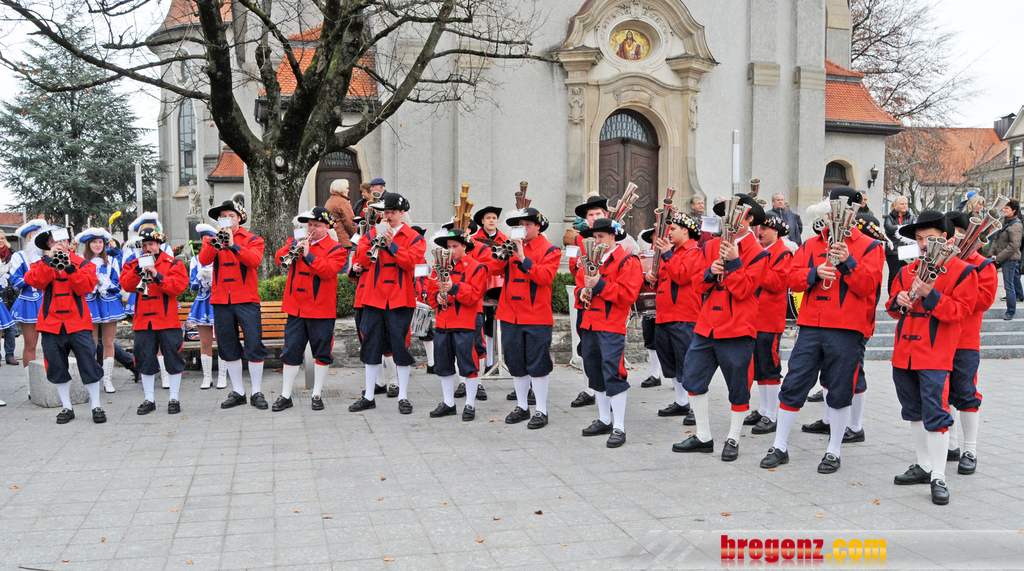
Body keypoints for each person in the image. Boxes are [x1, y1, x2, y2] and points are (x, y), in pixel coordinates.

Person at [759, 187, 884, 475]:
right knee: (793, 384)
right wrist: (815, 274)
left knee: (839, 389)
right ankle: (780, 445)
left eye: (840, 210)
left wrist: (847, 262)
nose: (833, 215)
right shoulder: (812, 244)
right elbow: (793, 278)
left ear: (854, 213)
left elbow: (867, 287)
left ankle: (834, 450)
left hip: (846, 328)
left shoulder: (870, 246)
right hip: (811, 325)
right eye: (831, 209)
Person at [886, 210, 977, 506]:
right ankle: (924, 464)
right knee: (912, 411)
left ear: (947, 239)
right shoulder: (906, 270)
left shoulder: (963, 270)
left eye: (931, 238)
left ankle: (939, 475)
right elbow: (891, 306)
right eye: (920, 238)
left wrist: (931, 294)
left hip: (935, 353)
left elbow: (961, 312)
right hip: (904, 353)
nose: (924, 244)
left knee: (936, 414)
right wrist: (898, 301)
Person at [672, 194, 767, 461]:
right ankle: (703, 436)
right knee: (692, 378)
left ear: (748, 219)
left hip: (737, 328)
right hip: (707, 326)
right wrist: (709, 274)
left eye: (736, 214)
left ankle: (734, 438)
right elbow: (696, 285)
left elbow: (744, 290)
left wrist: (735, 261)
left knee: (738, 387)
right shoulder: (711, 246)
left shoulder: (759, 253)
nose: (729, 220)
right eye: (726, 215)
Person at [348, 192, 426, 414]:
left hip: (400, 298)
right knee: (371, 346)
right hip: (373, 298)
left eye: (392, 212)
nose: (388, 216)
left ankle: (402, 395)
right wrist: (374, 239)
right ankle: (369, 395)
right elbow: (361, 260)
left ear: (402, 213)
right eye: (385, 213)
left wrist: (392, 245)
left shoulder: (414, 237)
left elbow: (411, 263)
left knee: (400, 347)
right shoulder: (372, 233)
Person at [23, 225, 106, 424]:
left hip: (78, 323)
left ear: (69, 243)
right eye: (53, 241)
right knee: (56, 366)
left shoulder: (84, 264)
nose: (58, 244)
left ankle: (96, 405)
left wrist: (69, 267)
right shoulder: (41, 263)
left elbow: (84, 287)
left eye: (62, 241)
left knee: (89, 364)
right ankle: (66, 407)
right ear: (48, 245)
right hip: (51, 324)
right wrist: (49, 261)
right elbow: (36, 281)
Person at [271, 207, 348, 412]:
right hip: (296, 307)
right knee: (291, 352)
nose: (312, 228)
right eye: (310, 225)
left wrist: (309, 256)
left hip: (320, 309)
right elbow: (280, 258)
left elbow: (328, 271)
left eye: (317, 225)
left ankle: (317, 394)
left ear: (326, 227)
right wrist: (292, 247)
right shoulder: (296, 241)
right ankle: (286, 395)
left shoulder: (336, 249)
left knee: (322, 353)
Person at [493, 207, 561, 429]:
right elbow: (493, 269)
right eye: (519, 226)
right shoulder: (510, 247)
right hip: (510, 313)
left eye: (527, 225)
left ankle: (541, 410)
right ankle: (522, 406)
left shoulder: (551, 250)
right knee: (515, 362)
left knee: (538, 364)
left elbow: (544, 277)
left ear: (538, 226)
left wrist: (523, 258)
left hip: (536, 315)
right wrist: (499, 251)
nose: (522, 229)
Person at [577, 218, 643, 447]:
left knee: (613, 373)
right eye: (594, 237)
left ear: (613, 237)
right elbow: (579, 283)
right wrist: (581, 293)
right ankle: (605, 419)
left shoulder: (628, 260)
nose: (596, 241)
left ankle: (619, 426)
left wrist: (599, 286)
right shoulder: (590, 259)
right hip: (590, 323)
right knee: (595, 372)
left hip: (611, 325)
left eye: (601, 237)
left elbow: (628, 295)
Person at [198, 200, 269, 410]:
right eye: (222, 217)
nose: (226, 219)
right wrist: (216, 241)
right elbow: (203, 260)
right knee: (228, 347)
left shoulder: (253, 239)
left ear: (239, 218)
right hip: (221, 300)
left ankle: (256, 391)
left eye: (230, 215)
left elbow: (254, 261)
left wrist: (234, 245)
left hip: (246, 299)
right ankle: (238, 391)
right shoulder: (212, 239)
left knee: (254, 345)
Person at [945, 210, 998, 475]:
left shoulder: (982, 264)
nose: (953, 240)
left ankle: (970, 449)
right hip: (939, 337)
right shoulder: (940, 259)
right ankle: (951, 445)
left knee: (965, 393)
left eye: (957, 234)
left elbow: (983, 300)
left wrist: (959, 278)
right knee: (942, 394)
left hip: (965, 339)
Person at [121, 228, 189, 415]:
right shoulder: (134, 264)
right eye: (144, 245)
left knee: (173, 358)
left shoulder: (172, 263)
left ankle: (174, 397)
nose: (147, 248)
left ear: (159, 244)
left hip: (167, 320)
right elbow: (126, 285)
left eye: (151, 244)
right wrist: (137, 271)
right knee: (144, 359)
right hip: (144, 321)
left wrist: (157, 276)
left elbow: (177, 288)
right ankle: (149, 399)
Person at [642, 212, 701, 420]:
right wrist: (651, 278)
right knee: (672, 362)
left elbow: (682, 276)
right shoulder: (673, 252)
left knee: (687, 363)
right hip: (665, 314)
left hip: (684, 315)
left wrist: (667, 254)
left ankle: (696, 407)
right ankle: (682, 401)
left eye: (673, 229)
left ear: (685, 230)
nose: (669, 233)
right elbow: (665, 281)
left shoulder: (694, 251)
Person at [426, 228, 488, 420]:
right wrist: (438, 297)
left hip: (465, 323)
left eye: (455, 246)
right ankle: (448, 403)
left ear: (464, 247)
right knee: (443, 365)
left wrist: (454, 287)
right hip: (444, 322)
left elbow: (474, 295)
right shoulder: (439, 266)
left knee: (468, 364)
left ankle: (470, 404)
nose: (451, 250)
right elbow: (430, 293)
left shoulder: (477, 267)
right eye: (448, 247)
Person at [745, 214, 793, 434]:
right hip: (755, 316)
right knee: (759, 366)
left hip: (770, 318)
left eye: (764, 228)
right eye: (759, 227)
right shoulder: (761, 251)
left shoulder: (782, 252)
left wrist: (756, 269)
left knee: (770, 366)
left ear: (776, 232)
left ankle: (772, 414)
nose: (760, 232)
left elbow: (776, 282)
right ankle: (764, 409)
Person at [567, 196, 614, 408]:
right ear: (585, 219)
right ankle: (589, 389)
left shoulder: (615, 236)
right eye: (590, 215)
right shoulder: (577, 239)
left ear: (605, 215)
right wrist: (577, 264)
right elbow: (571, 267)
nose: (594, 218)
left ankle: (609, 388)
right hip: (584, 301)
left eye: (598, 214)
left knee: (607, 350)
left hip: (607, 301)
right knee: (586, 348)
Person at [75, 228, 125, 394]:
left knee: (109, 342)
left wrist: (105, 284)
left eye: (100, 242)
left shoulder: (111, 260)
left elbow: (118, 284)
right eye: (94, 242)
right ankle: (93, 377)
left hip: (108, 302)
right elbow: (76, 284)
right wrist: (90, 285)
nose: (97, 245)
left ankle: (107, 379)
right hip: (89, 303)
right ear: (88, 244)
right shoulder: (81, 261)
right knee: (92, 343)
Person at [9, 218, 47, 396]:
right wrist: (33, 278)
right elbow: (16, 283)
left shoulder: (47, 256)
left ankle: (51, 381)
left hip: (48, 301)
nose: (34, 240)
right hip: (29, 302)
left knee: (51, 345)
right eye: (32, 236)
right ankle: (32, 385)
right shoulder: (19, 256)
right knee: (30, 345)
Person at [471, 205, 506, 375]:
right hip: (479, 283)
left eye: (494, 218)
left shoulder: (504, 238)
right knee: (479, 321)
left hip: (497, 284)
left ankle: (492, 361)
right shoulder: (473, 239)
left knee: (493, 321)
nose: (492, 221)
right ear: (482, 221)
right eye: (488, 218)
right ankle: (483, 361)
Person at [188, 224, 223, 389]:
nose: (205, 245)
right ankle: (207, 376)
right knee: (205, 342)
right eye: (203, 242)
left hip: (219, 301)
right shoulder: (195, 260)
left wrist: (213, 280)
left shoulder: (221, 256)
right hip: (203, 302)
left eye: (208, 241)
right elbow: (192, 287)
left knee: (223, 341)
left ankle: (222, 376)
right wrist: (200, 279)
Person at [988, 199, 1022, 321]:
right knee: (985, 276)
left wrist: (999, 257)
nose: (1004, 210)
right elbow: (996, 239)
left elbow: (1014, 245)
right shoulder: (1004, 222)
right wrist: (991, 254)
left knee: (1009, 285)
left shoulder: (1016, 225)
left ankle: (1010, 312)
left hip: (1010, 259)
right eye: (1004, 208)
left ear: (1014, 210)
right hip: (999, 257)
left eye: (1007, 208)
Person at [883, 196, 915, 294]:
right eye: (902, 204)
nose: (904, 206)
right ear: (895, 205)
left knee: (907, 274)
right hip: (893, 250)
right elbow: (888, 228)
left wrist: (899, 229)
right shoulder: (889, 217)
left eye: (906, 204)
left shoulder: (911, 216)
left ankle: (905, 295)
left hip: (907, 250)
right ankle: (892, 296)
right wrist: (903, 228)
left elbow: (913, 228)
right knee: (893, 275)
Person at [324, 179, 358, 248]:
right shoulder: (342, 202)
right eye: (347, 188)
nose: (348, 190)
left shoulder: (329, 201)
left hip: (333, 238)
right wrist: (356, 238)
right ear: (341, 189)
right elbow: (349, 223)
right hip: (343, 240)